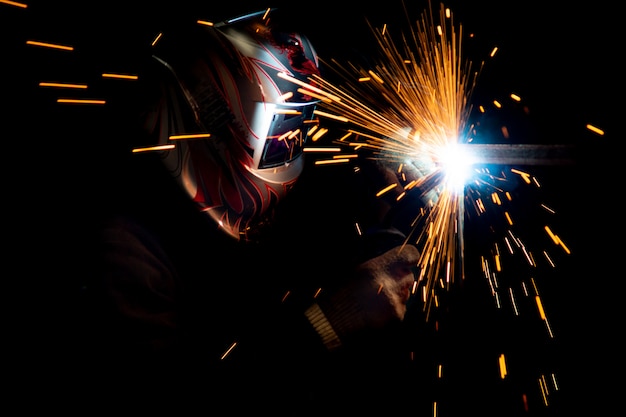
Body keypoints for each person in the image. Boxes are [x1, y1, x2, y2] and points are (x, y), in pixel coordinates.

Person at [73, 8, 426, 414]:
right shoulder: (122, 252)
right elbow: (180, 407)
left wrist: (382, 187)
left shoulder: (217, 202)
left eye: (297, 125)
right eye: (282, 128)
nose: (292, 141)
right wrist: (328, 325)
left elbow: (288, 244)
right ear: (214, 119)